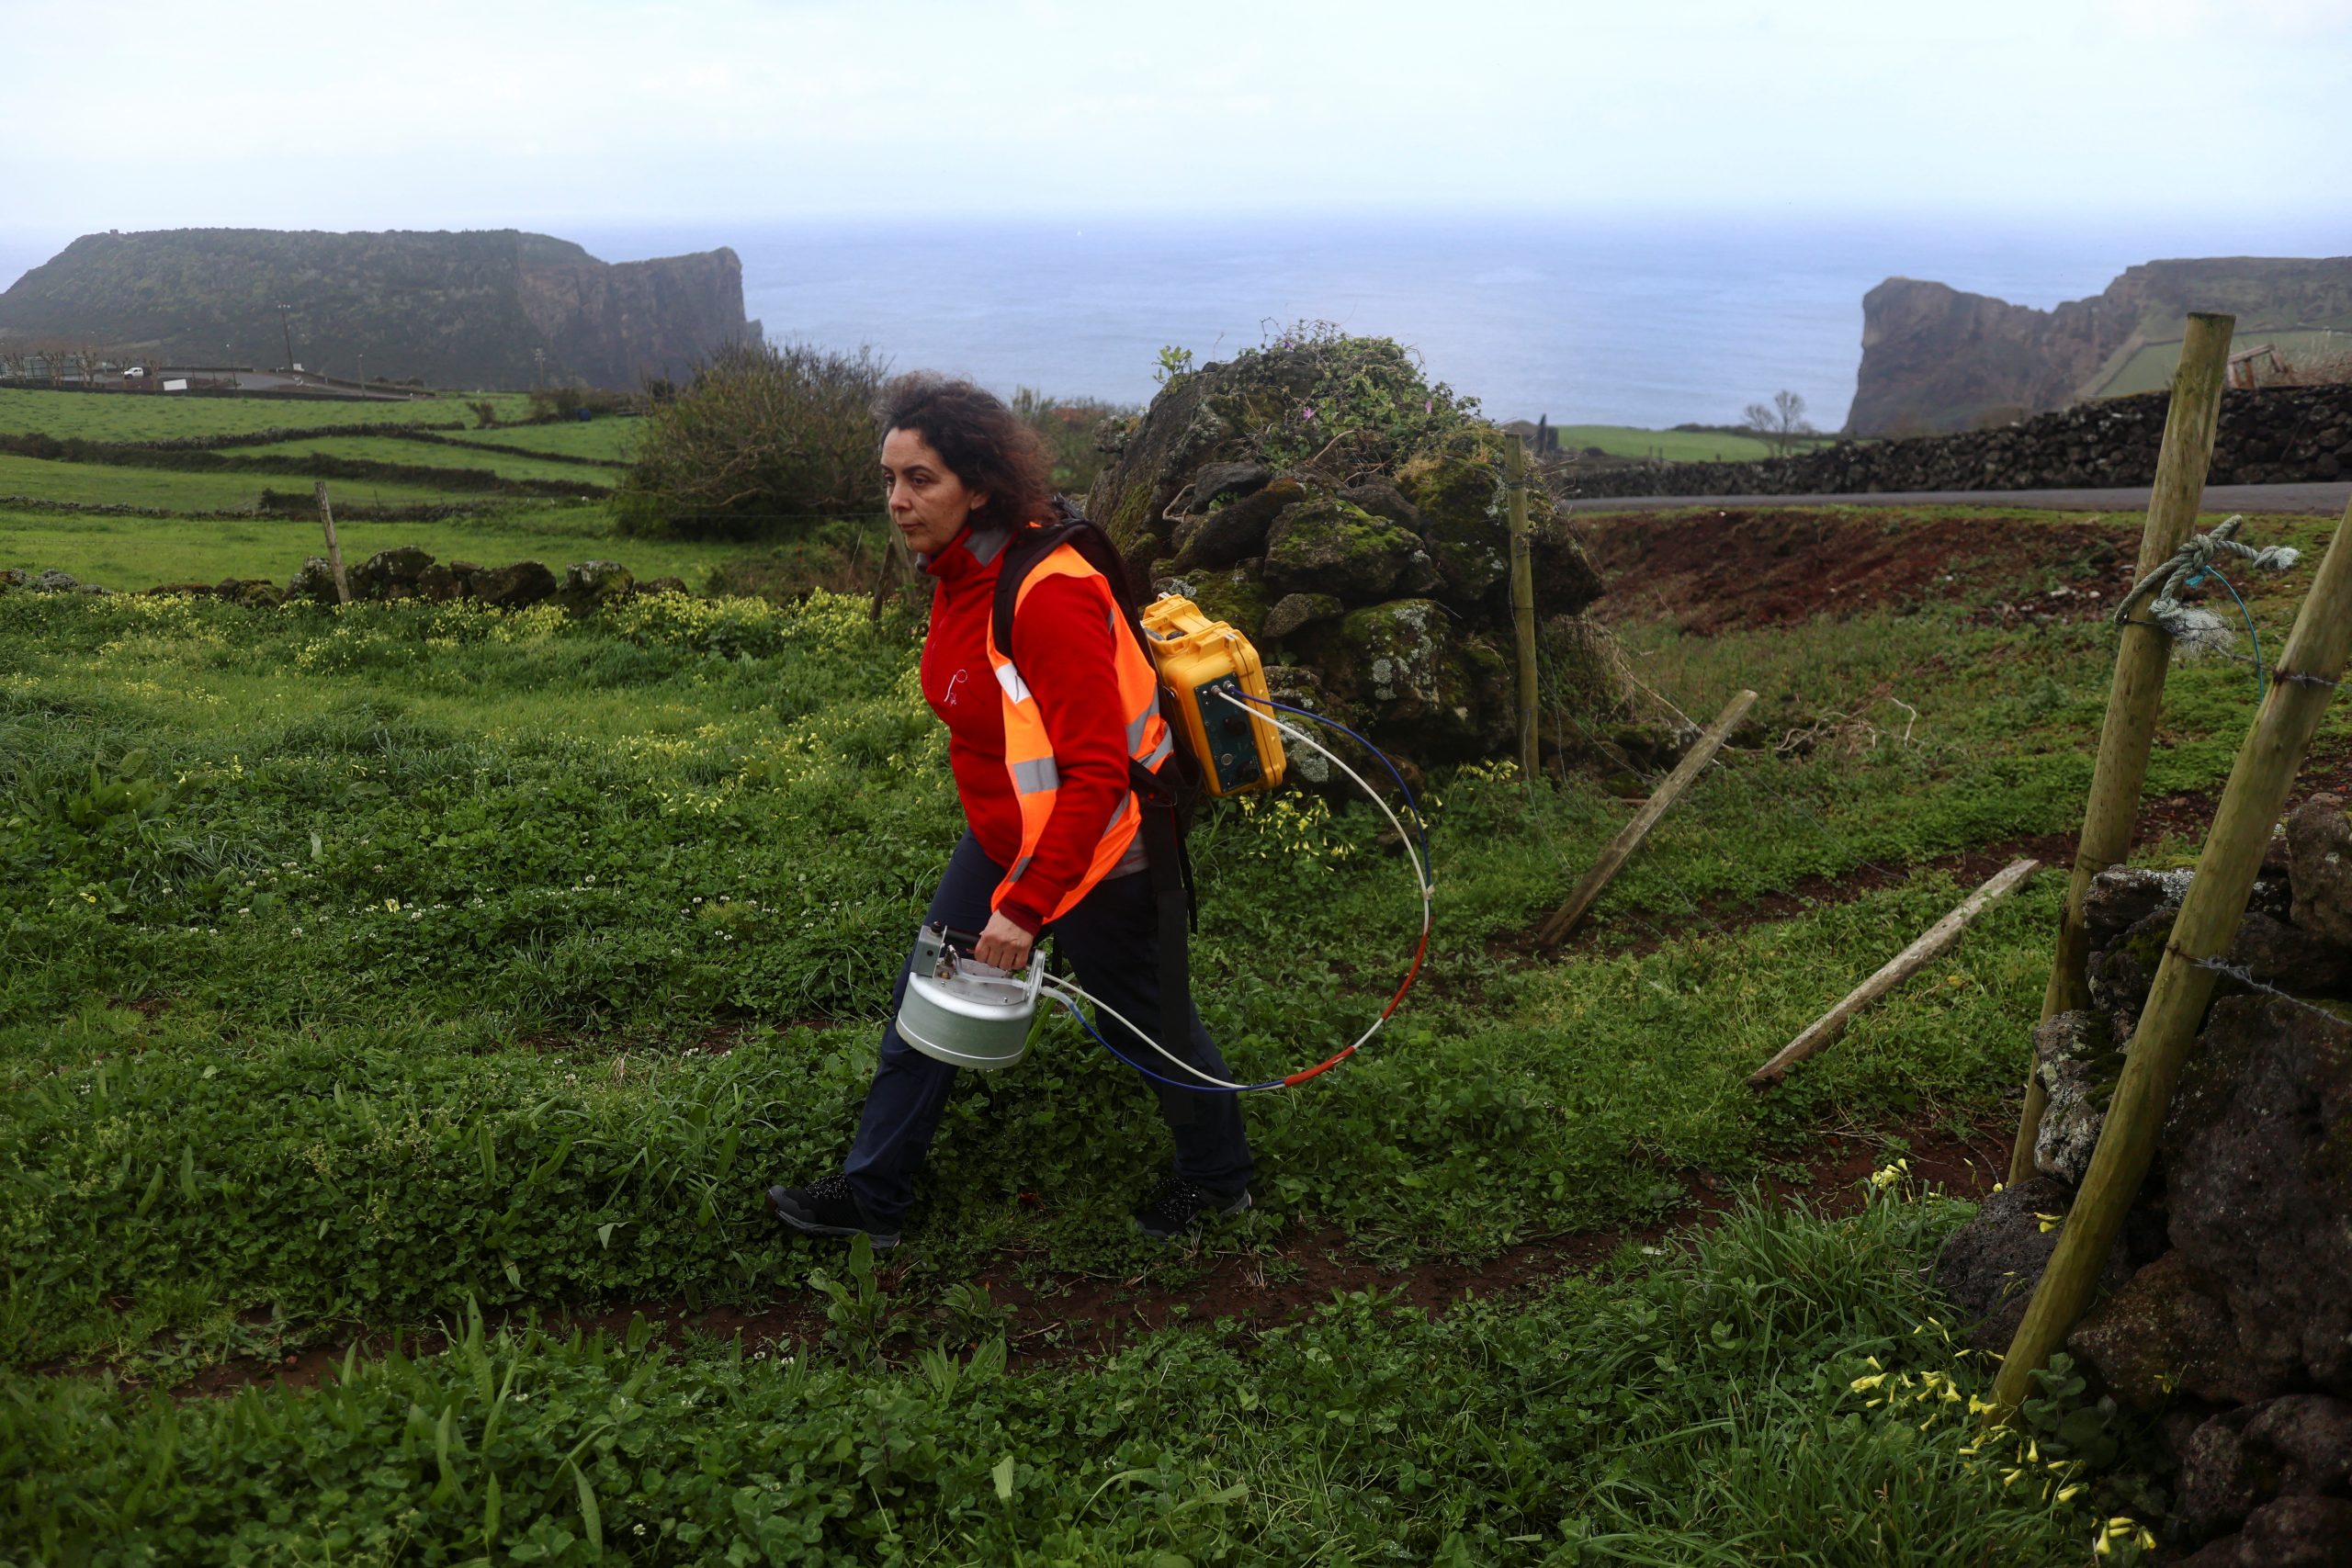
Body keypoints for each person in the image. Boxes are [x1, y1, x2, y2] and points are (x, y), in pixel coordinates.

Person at [766, 375, 1254, 1248]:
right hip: (1005, 836)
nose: (898, 500)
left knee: (1143, 1020)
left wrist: (1024, 910)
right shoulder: (959, 569)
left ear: (979, 486)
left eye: (921, 480)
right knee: (926, 999)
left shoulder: (1048, 592)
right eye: (889, 479)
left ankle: (1218, 1184)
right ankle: (876, 1199)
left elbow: (1096, 773)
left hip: (1100, 848)